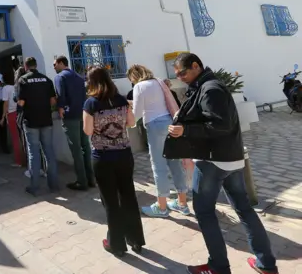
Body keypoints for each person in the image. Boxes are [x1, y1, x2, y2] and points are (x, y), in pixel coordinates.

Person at [166, 53, 278, 274]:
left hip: (214, 160)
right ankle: (266, 264)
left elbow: (221, 125)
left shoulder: (210, 88)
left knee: (204, 211)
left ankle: (218, 267)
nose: (180, 77)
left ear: (196, 66)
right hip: (229, 159)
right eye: (177, 74)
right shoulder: (206, 86)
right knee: (244, 209)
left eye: (183, 73)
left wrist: (186, 130)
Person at [83, 66, 145, 257]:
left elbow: (87, 130)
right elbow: (132, 122)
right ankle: (135, 240)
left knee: (110, 201)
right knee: (128, 196)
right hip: (124, 155)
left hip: (103, 157)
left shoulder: (90, 104)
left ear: (91, 82)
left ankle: (116, 244)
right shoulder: (121, 100)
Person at [127, 64, 190, 218]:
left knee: (158, 166)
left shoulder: (139, 86)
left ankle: (162, 207)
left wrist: (129, 110)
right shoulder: (158, 81)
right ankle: (182, 203)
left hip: (155, 126)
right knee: (175, 163)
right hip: (169, 123)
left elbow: (136, 115)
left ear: (134, 77)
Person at [16, 57, 59, 195]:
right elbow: (53, 101)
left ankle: (34, 187)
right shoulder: (46, 80)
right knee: (49, 152)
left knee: (33, 153)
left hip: (30, 121)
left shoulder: (23, 80)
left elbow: (21, 103)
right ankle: (54, 185)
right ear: (36, 65)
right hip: (46, 120)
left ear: (26, 66)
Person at [53, 55, 95, 190]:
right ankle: (91, 179)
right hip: (82, 114)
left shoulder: (60, 77)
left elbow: (60, 96)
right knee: (85, 147)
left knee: (76, 149)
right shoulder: (78, 76)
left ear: (61, 63)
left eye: (55, 64)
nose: (54, 67)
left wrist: (60, 109)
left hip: (70, 116)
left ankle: (81, 182)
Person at [15, 66, 48, 177]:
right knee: (42, 147)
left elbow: (20, 103)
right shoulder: (41, 81)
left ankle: (34, 171)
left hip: (26, 119)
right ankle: (44, 170)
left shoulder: (21, 84)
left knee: (30, 147)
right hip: (43, 117)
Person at [0, 70, 22, 166]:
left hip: (12, 114)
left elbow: (5, 103)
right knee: (22, 137)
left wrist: (3, 117)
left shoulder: (6, 88)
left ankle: (19, 161)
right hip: (20, 113)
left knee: (15, 138)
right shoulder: (18, 86)